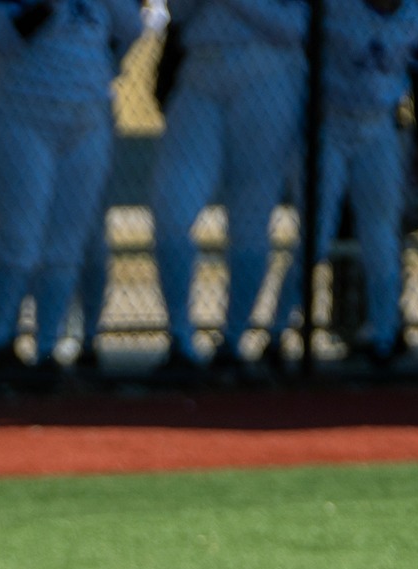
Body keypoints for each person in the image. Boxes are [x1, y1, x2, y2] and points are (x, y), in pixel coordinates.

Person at [0, 0, 143, 388]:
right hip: (22, 116)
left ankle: (48, 348)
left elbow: (131, 28)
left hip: (87, 118)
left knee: (67, 244)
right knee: (20, 239)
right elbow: (1, 39)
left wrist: (105, 64)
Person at [148, 0, 308, 384]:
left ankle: (234, 341)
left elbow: (297, 27)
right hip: (200, 70)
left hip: (269, 73)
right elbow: (179, 13)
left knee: (251, 217)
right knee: (171, 207)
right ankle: (180, 341)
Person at [269, 0, 418, 373]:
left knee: (381, 233)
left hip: (379, 129)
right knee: (316, 235)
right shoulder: (334, 9)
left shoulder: (417, 16)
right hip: (330, 125)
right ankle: (279, 332)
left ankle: (384, 334)